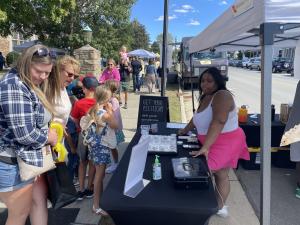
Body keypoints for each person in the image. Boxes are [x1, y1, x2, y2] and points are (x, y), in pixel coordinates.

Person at [178, 67, 249, 218]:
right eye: (203, 81)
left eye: (209, 81)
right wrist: (185, 130)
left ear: (218, 81)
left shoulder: (222, 95)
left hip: (225, 141)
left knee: (205, 172)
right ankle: (219, 205)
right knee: (220, 174)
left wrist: (205, 147)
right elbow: (196, 117)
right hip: (209, 141)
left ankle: (217, 206)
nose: (205, 84)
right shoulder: (205, 97)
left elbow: (218, 121)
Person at [0, 44, 58, 225]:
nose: (43, 77)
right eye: (39, 71)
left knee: (26, 210)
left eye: (47, 73)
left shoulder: (26, 83)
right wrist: (49, 138)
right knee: (18, 216)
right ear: (26, 63)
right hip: (11, 163)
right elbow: (25, 135)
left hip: (22, 160)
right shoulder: (14, 85)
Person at [81, 85, 118, 216]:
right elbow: (116, 125)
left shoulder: (93, 110)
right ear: (107, 99)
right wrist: (111, 111)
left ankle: (99, 200)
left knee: (100, 175)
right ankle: (96, 206)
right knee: (99, 176)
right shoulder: (105, 114)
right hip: (101, 149)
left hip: (94, 148)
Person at [43, 55, 80, 182]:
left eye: (75, 76)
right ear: (58, 69)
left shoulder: (63, 88)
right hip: (47, 145)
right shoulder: (47, 89)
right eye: (70, 74)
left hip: (59, 141)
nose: (72, 79)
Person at [71, 76, 99, 200]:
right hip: (96, 136)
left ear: (85, 89)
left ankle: (81, 189)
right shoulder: (99, 103)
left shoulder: (79, 103)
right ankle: (89, 188)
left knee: (82, 163)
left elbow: (75, 120)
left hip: (83, 136)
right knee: (92, 163)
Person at [105, 80, 125, 173]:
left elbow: (115, 116)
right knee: (111, 147)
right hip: (113, 128)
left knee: (113, 147)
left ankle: (115, 164)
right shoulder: (111, 100)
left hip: (114, 129)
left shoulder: (113, 101)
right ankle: (113, 162)